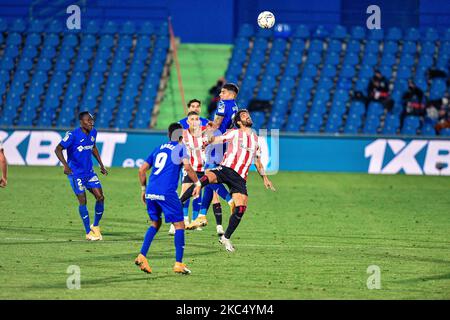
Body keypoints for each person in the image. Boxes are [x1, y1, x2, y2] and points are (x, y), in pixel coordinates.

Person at [180, 109, 276, 252]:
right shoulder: (234, 133)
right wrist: (208, 138)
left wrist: (265, 178)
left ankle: (225, 237)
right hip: (226, 169)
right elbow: (217, 140)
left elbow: (257, 161)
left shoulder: (255, 139)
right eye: (244, 116)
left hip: (240, 178)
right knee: (204, 180)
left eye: (248, 115)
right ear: (238, 122)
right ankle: (178, 201)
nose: (247, 117)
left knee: (241, 209)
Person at [135, 123, 201, 274]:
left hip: (151, 192)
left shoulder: (158, 148)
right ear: (181, 135)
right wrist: (197, 182)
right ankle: (178, 263)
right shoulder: (181, 148)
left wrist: (143, 189)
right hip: (167, 192)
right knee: (179, 225)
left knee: (155, 223)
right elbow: (188, 167)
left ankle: (142, 255)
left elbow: (142, 169)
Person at [186, 83, 240, 232]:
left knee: (207, 176)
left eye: (223, 92)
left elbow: (217, 122)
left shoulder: (223, 103)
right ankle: (202, 215)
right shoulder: (235, 106)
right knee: (210, 177)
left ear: (230, 94)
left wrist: (208, 135)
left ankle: (230, 201)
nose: (220, 95)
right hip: (225, 142)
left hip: (217, 141)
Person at [54, 111, 108, 241]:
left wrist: (101, 164)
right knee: (83, 200)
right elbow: (58, 149)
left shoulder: (94, 132)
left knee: (100, 197)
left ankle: (95, 226)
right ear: (81, 122)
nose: (91, 122)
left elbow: (93, 147)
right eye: (88, 120)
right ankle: (88, 232)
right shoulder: (72, 135)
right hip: (75, 174)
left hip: (89, 172)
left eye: (92, 120)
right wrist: (65, 165)